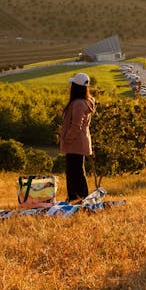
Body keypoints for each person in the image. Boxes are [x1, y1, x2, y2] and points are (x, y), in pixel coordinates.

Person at [58, 72, 96, 202]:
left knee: (75, 172)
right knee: (76, 171)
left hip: (75, 142)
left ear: (76, 87)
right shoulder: (85, 102)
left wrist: (66, 139)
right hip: (80, 142)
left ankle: (79, 198)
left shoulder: (78, 103)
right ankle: (76, 198)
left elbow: (76, 126)